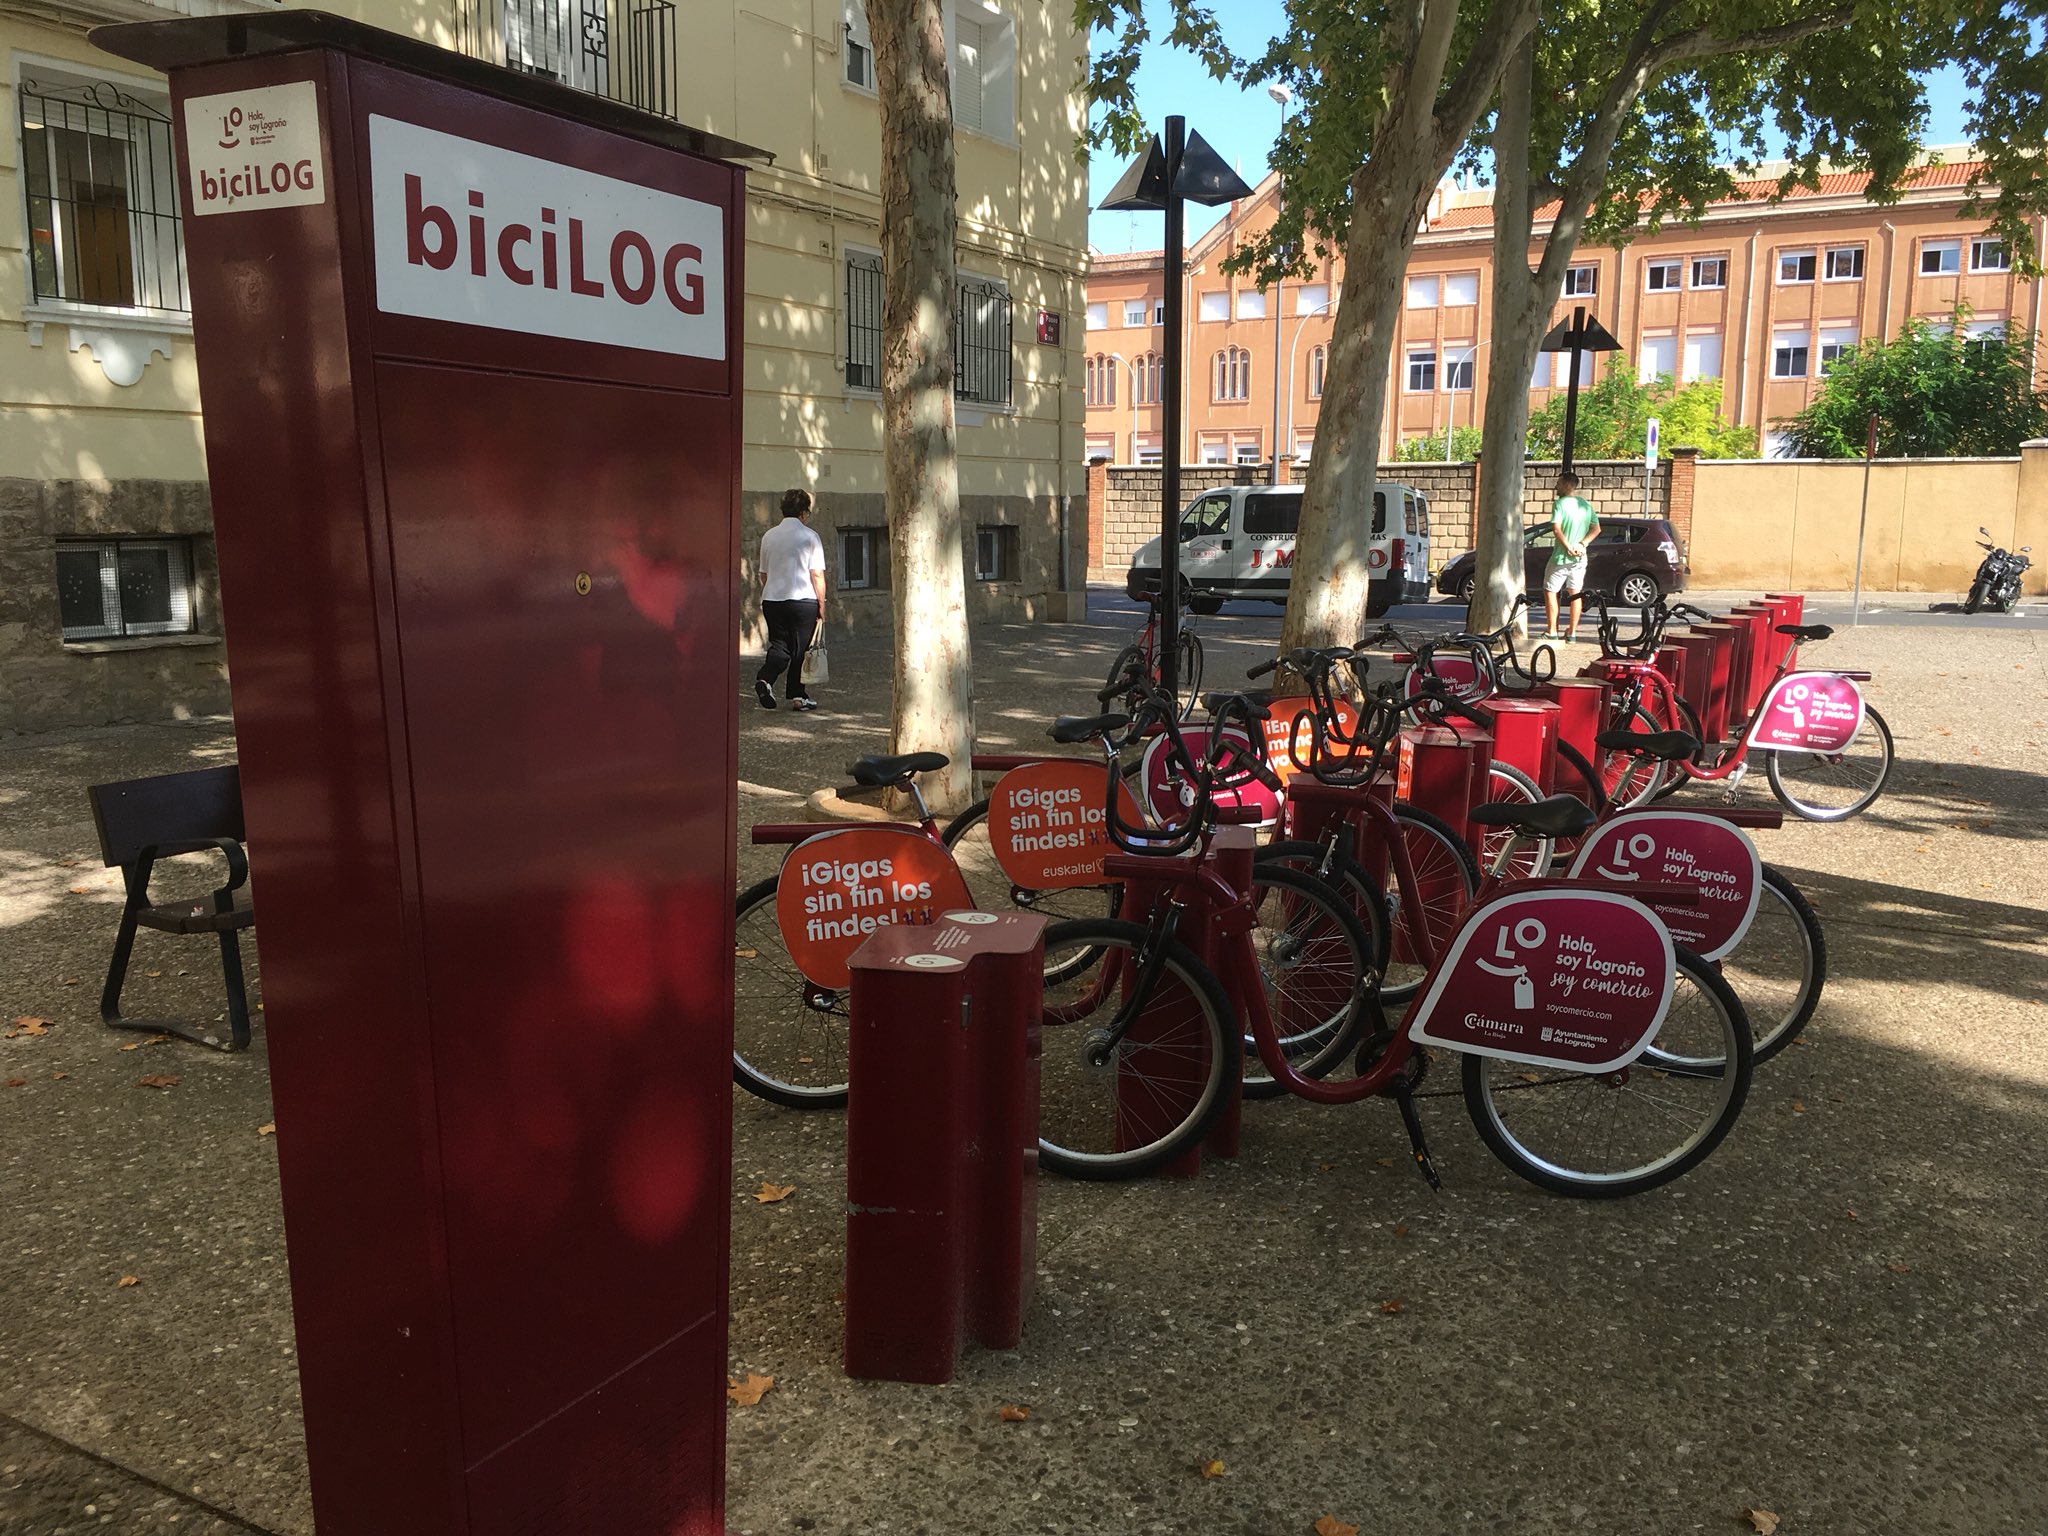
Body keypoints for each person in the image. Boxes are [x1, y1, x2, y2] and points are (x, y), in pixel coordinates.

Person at [755, 488, 827, 712]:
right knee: (800, 649)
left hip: (773, 599)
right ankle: (798, 695)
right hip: (803, 599)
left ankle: (765, 679)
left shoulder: (769, 536)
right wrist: (822, 604)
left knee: (780, 645)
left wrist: (771, 590)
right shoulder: (810, 536)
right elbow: (817, 574)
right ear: (804, 512)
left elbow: (763, 573)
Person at [1542, 472, 1600, 643]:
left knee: (1550, 591)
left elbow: (1556, 529)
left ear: (1567, 485)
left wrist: (1568, 547)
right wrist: (1582, 545)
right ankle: (1572, 632)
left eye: (1558, 483)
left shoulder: (1559, 504)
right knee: (1575, 593)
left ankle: (1552, 630)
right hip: (1580, 558)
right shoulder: (1585, 505)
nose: (1556, 486)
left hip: (1561, 557)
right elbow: (1596, 529)